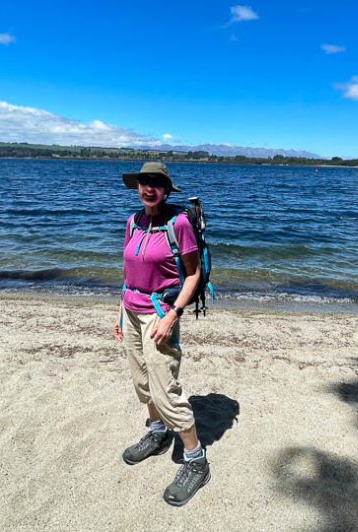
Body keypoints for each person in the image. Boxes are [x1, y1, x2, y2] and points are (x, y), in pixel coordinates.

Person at [114, 162, 210, 507]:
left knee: (165, 389)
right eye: (144, 182)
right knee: (142, 383)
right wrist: (119, 313)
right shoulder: (133, 221)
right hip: (130, 311)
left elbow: (193, 274)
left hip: (159, 315)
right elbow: (129, 272)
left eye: (156, 183)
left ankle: (196, 460)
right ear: (137, 186)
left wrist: (173, 315)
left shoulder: (178, 223)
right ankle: (156, 434)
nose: (149, 188)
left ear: (166, 189)